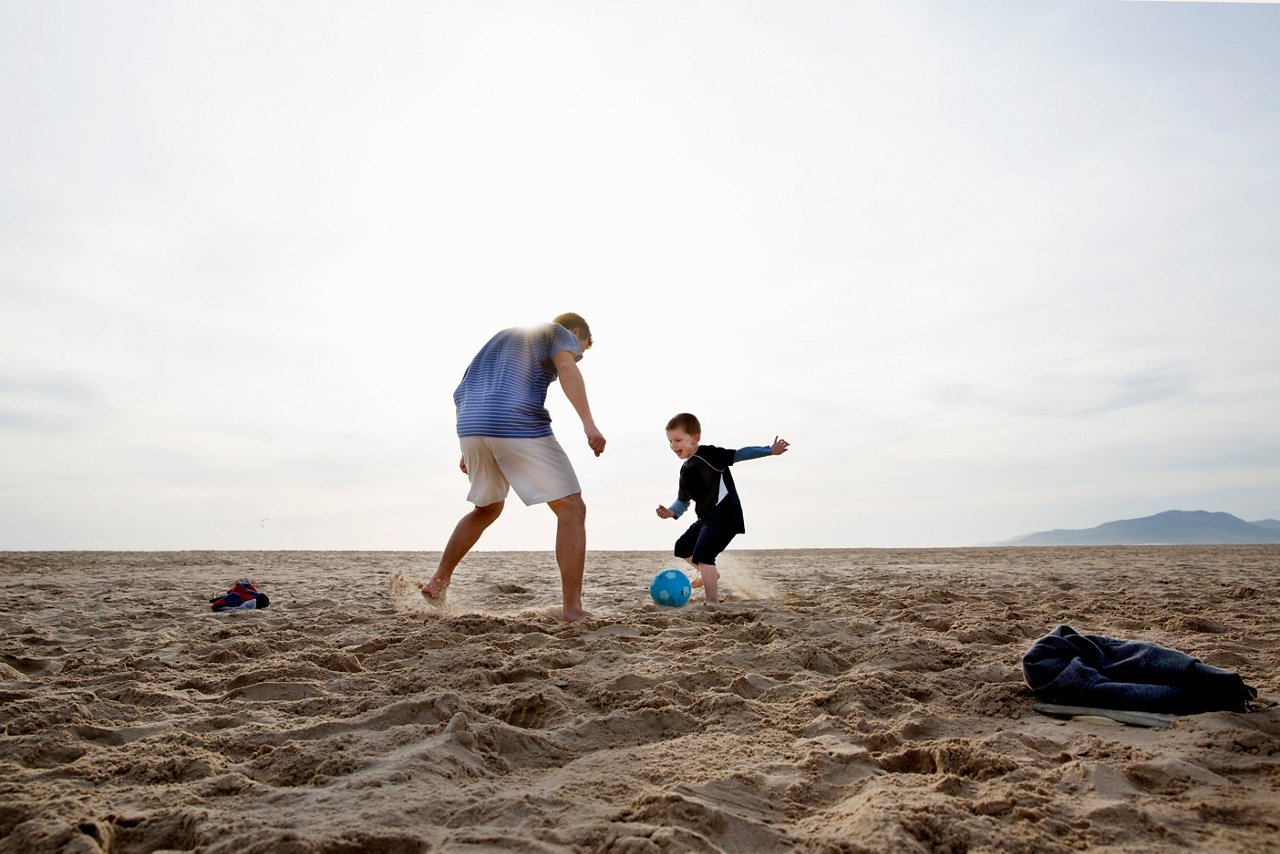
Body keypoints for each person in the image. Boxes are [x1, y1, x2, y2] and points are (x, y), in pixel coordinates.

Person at [420, 313, 606, 623]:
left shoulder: (500, 339)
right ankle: (572, 610)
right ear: (576, 332)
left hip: (471, 423)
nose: (577, 355)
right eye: (581, 349)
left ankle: (438, 582)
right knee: (572, 509)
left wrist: (467, 445)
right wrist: (589, 424)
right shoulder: (558, 331)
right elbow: (565, 366)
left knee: (487, 508)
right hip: (514, 419)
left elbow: (461, 390)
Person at [654, 412, 789, 604]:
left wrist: (769, 450)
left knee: (704, 555)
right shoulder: (685, 470)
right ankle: (710, 573)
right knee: (682, 546)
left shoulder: (710, 455)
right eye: (670, 441)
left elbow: (740, 454)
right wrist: (670, 512)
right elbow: (683, 501)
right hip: (707, 519)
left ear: (695, 438)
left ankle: (712, 602)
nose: (673, 446)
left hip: (725, 517)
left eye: (678, 440)